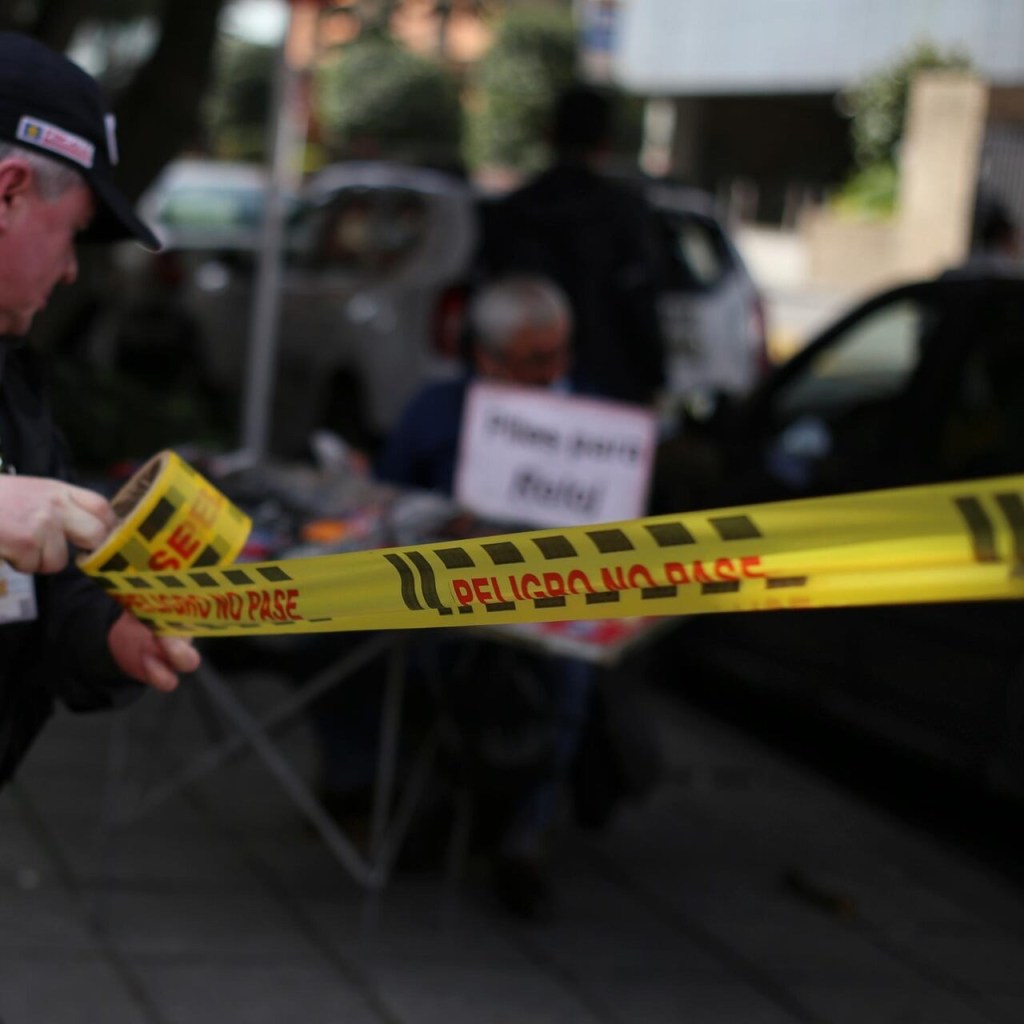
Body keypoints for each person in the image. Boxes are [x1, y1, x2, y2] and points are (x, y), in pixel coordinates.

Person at [0, 31, 199, 786]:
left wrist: (115, 641)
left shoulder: (12, 384)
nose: (74, 265)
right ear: (9, 194)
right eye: (74, 233)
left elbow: (44, 601)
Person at [376, 274, 594, 921]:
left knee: (569, 679)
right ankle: (437, 797)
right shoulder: (438, 410)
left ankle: (524, 839)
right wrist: (439, 522)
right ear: (486, 360)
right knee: (415, 667)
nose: (556, 371)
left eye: (562, 354)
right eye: (537, 361)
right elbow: (387, 503)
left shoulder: (591, 414)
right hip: (453, 598)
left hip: (559, 600)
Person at [478, 83, 667, 407]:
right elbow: (640, 307)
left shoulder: (510, 212)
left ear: (548, 136)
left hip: (516, 392)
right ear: (605, 144)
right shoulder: (626, 214)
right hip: (609, 392)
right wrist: (655, 377)